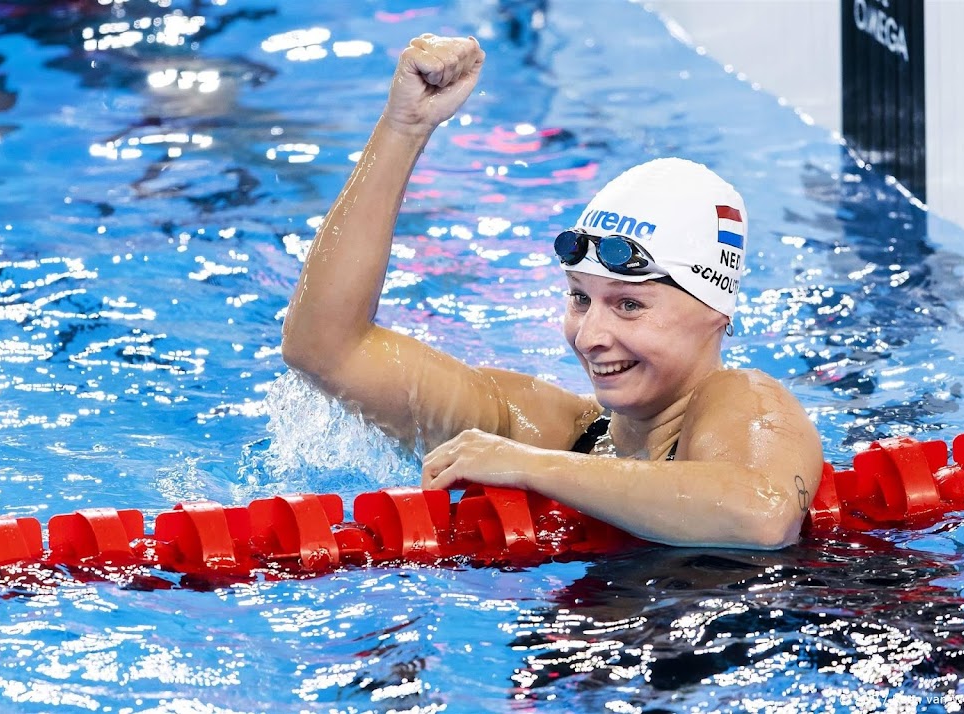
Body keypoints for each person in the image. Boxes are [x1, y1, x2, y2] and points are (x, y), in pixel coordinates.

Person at [281, 33, 824, 549]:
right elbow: (327, 349)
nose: (590, 335)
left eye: (629, 304)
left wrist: (527, 466)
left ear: (713, 310)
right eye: (581, 297)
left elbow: (761, 512)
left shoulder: (745, 400)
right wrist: (404, 128)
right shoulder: (552, 429)